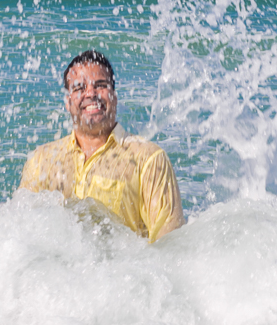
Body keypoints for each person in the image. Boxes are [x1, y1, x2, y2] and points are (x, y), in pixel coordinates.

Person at [19, 51, 185, 242]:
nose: (90, 93)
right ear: (67, 102)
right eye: (79, 88)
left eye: (101, 85)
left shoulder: (149, 158)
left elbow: (170, 246)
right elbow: (23, 235)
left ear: (114, 96)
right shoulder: (42, 160)